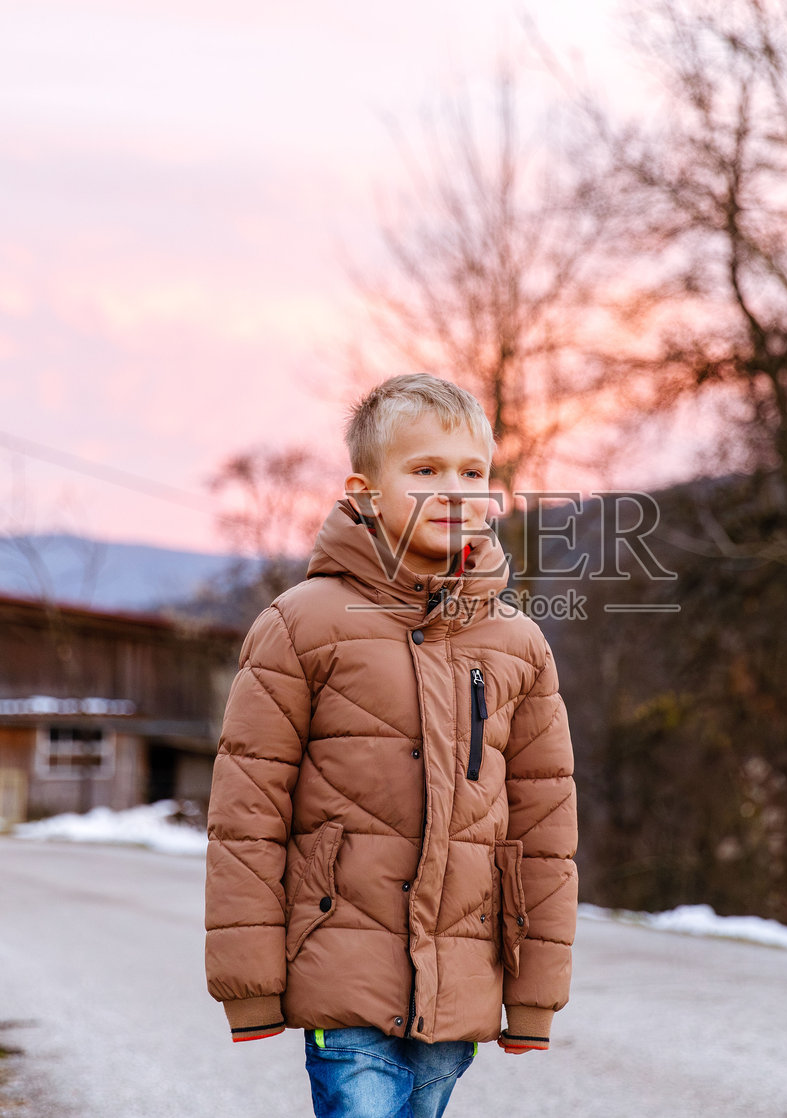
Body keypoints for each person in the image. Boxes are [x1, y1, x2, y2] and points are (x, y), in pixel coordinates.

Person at [203, 372, 579, 1118]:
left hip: (462, 972)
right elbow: (246, 815)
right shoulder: (300, 624)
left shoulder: (518, 644)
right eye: (425, 470)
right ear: (366, 491)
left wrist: (534, 995)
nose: (454, 491)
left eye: (472, 472)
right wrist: (249, 987)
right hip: (341, 962)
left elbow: (545, 828)